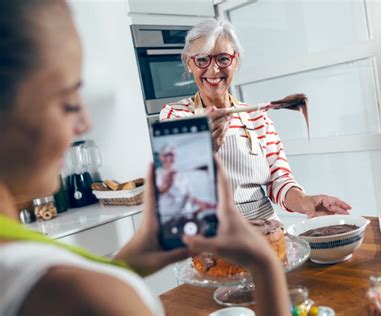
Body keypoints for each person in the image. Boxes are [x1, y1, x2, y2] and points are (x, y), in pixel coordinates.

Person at [0, 1, 289, 315]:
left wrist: (134, 258)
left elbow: (279, 176)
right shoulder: (77, 291)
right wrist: (263, 265)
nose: (84, 123)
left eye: (222, 58)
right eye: (68, 100)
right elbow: (85, 294)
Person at [160, 18, 352, 220]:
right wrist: (203, 147)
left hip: (267, 230)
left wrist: (305, 202)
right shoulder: (175, 116)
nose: (214, 69)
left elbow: (279, 180)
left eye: (223, 59)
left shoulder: (257, 117)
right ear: (189, 63)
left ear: (235, 61)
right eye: (202, 59)